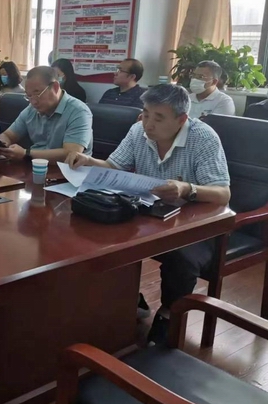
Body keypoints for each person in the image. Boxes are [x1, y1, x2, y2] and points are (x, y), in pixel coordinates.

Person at [66, 84, 231, 345]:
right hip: (149, 213)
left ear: (181, 119)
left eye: (158, 118)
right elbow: (113, 166)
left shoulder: (203, 138)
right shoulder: (137, 131)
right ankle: (130, 298)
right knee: (101, 238)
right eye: (145, 114)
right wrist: (89, 162)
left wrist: (187, 189)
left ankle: (169, 313)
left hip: (192, 221)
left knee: (181, 256)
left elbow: (223, 194)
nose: (148, 124)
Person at [0, 66, 93, 163]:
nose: (33, 101)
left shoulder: (79, 111)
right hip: (36, 167)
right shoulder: (31, 110)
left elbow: (71, 154)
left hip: (69, 171)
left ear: (55, 87)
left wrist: (26, 154)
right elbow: (8, 135)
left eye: (37, 93)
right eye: (29, 96)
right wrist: (2, 145)